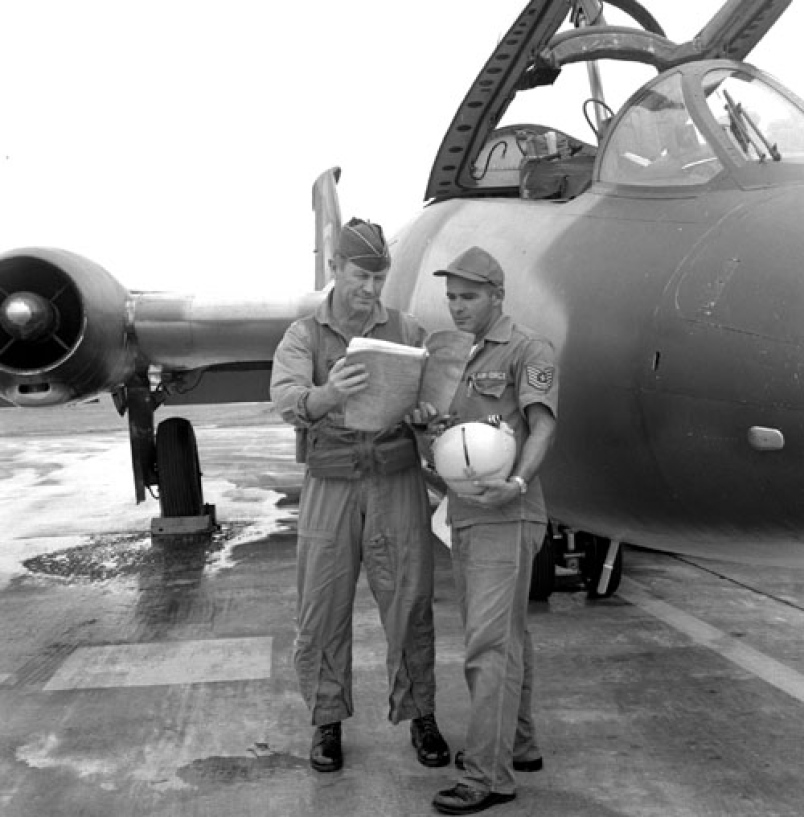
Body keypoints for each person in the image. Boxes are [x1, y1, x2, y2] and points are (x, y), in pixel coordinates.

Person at [269, 217, 450, 774]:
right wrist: (329, 393)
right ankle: (326, 723)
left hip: (396, 479)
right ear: (335, 269)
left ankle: (421, 715)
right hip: (332, 482)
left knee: (411, 602)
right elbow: (286, 397)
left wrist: (425, 416)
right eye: (360, 276)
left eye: (380, 277)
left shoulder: (409, 330)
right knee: (322, 606)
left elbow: (434, 401)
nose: (371, 290)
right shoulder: (304, 335)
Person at [426, 246, 559, 814]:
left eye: (469, 297)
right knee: (508, 637)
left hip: (507, 515)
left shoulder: (529, 348)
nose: (457, 307)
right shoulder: (454, 355)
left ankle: (488, 775)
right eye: (451, 297)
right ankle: (518, 744)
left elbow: (543, 424)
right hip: (466, 517)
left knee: (488, 646)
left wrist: (520, 483)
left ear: (497, 296)